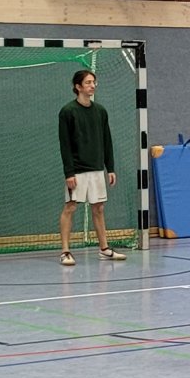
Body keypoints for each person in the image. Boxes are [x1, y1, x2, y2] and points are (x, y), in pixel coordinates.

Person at [58, 68, 126, 266]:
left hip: (96, 169)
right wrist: (69, 172)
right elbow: (65, 145)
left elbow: (107, 141)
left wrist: (109, 168)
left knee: (99, 208)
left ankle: (104, 249)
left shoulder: (100, 111)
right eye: (88, 82)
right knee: (70, 207)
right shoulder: (67, 112)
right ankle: (65, 251)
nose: (92, 85)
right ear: (78, 86)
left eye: (93, 82)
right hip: (77, 170)